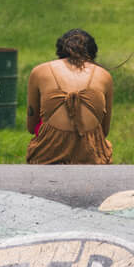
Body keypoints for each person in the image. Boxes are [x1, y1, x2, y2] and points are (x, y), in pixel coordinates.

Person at [25, 29, 112, 165]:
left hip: (47, 155)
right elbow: (104, 131)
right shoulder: (104, 75)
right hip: (91, 157)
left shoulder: (39, 71)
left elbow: (31, 127)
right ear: (93, 53)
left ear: (60, 51)